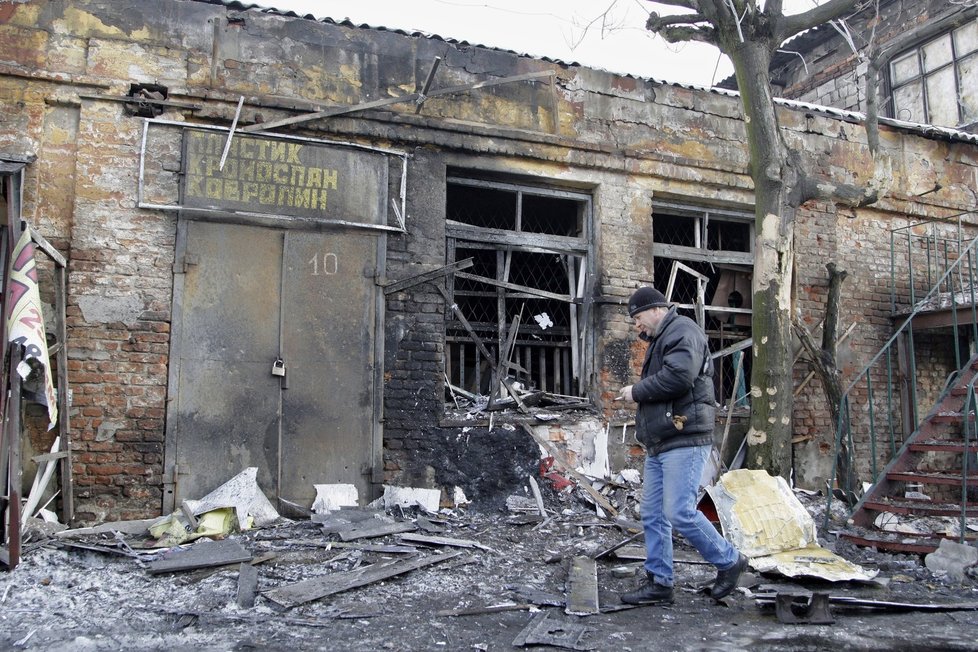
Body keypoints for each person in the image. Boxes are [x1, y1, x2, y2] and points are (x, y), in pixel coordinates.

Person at [617, 286, 747, 604]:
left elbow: (679, 378)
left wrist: (636, 391)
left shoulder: (682, 330)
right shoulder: (664, 338)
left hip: (684, 438)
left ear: (656, 309)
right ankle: (660, 584)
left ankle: (729, 560)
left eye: (637, 317)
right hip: (663, 440)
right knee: (651, 513)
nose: (636, 326)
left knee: (679, 512)